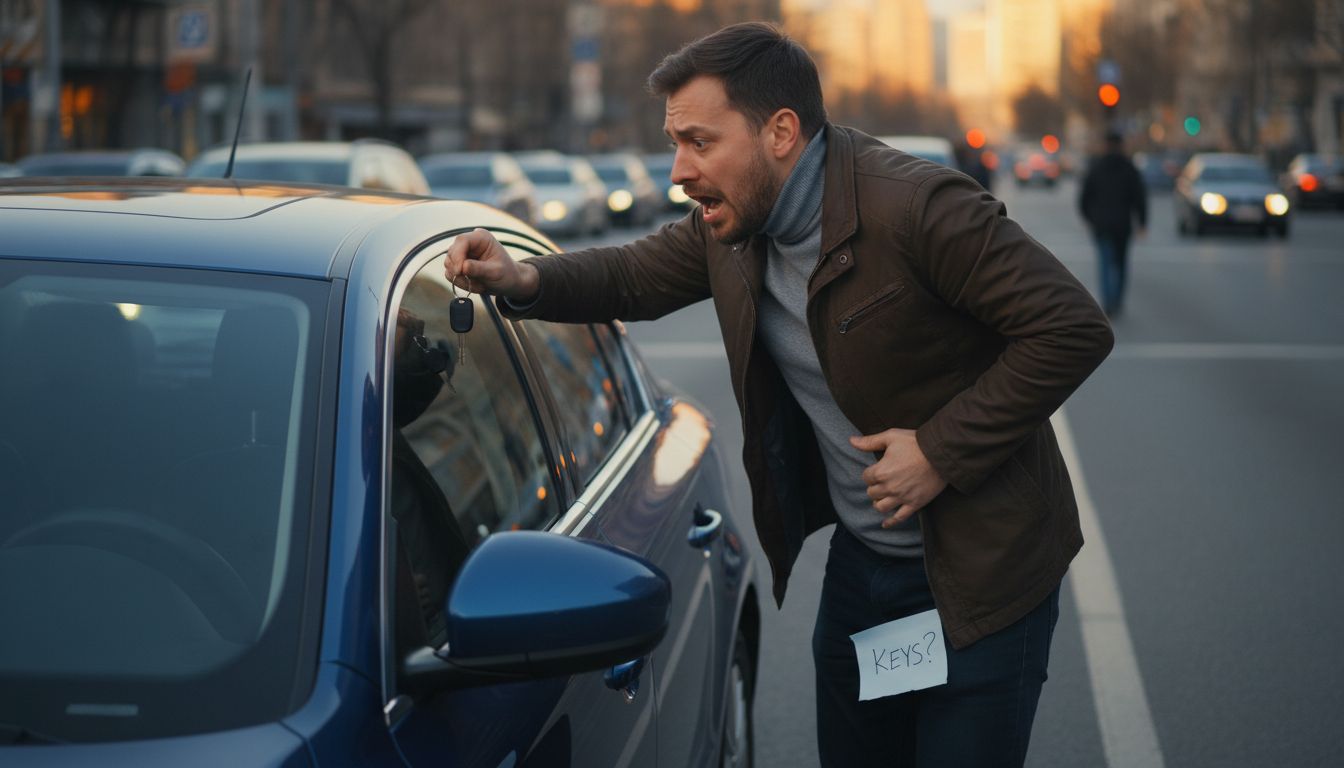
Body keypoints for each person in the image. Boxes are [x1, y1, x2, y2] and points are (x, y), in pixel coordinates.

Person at [445, 22, 1113, 767]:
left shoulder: (920, 208)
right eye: (676, 144)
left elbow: (1072, 327)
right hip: (869, 575)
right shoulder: (732, 228)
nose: (678, 171)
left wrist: (939, 450)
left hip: (989, 580)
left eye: (700, 142)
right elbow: (632, 274)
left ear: (781, 133)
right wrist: (525, 279)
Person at [1078, 131, 1147, 317]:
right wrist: (1142, 222)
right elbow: (1139, 197)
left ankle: (1108, 301)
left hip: (1101, 225)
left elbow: (1084, 198)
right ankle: (1116, 300)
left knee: (1105, 263)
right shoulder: (1129, 167)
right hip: (1122, 225)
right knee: (1121, 264)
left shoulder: (1096, 167)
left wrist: (1090, 218)